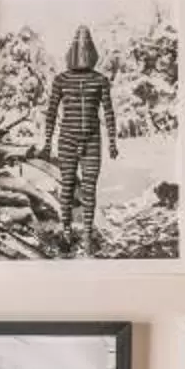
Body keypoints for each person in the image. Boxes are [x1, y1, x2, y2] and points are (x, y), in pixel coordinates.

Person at [40, 26, 122, 255]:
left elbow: (108, 112)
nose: (83, 49)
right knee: (66, 187)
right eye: (79, 43)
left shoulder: (100, 80)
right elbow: (52, 111)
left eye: (86, 44)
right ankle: (66, 232)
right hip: (67, 139)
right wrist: (47, 142)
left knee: (89, 189)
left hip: (93, 140)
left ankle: (86, 234)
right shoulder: (61, 80)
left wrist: (113, 141)